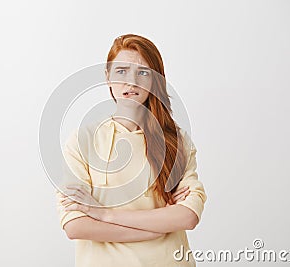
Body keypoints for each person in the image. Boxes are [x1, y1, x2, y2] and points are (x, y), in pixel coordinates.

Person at [55, 34, 207, 267]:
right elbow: (75, 225)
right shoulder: (82, 141)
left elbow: (187, 216)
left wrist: (104, 214)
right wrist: (154, 229)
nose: (131, 81)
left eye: (143, 72)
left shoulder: (177, 142)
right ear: (108, 78)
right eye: (121, 71)